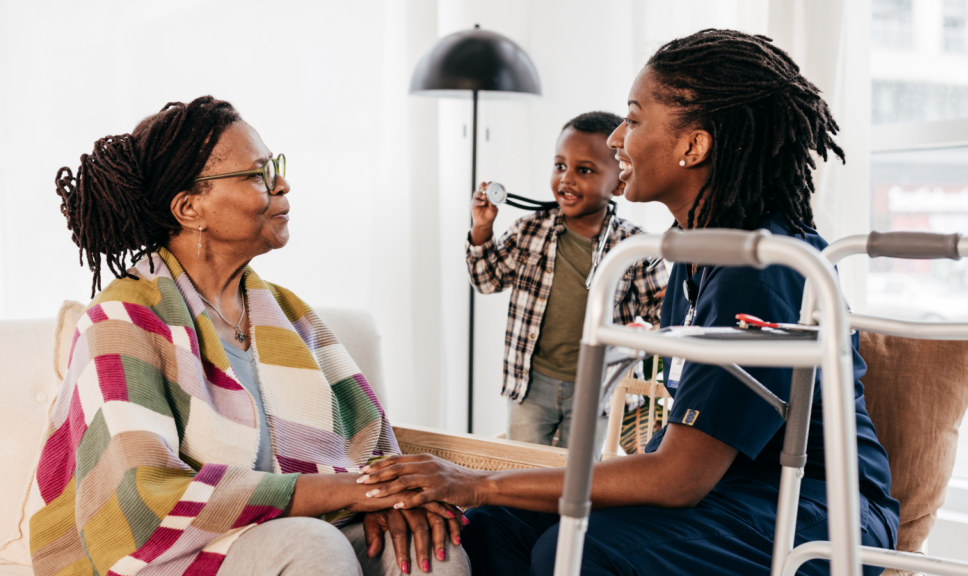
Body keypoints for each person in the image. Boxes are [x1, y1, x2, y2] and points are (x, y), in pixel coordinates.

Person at [357, 30, 899, 575]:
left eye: (635, 119)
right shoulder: (692, 251)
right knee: (496, 530)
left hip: (820, 512)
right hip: (726, 497)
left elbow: (679, 477)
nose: (617, 137)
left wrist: (479, 482)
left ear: (694, 146)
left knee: (574, 548)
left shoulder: (766, 269)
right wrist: (481, 495)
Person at [31, 96, 470, 576]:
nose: (282, 184)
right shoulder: (120, 321)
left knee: (433, 553)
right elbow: (140, 497)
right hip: (176, 548)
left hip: (296, 523)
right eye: (257, 173)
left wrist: (388, 496)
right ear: (190, 207)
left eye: (273, 167)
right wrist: (355, 492)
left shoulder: (287, 313)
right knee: (312, 544)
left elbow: (369, 446)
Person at [467, 111, 668, 451]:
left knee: (579, 477)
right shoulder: (530, 229)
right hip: (530, 384)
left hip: (597, 388)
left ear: (619, 183)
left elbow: (662, 315)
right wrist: (482, 228)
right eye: (560, 166)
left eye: (584, 170)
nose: (567, 179)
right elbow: (487, 280)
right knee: (524, 469)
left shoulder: (634, 246)